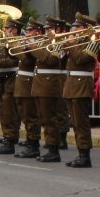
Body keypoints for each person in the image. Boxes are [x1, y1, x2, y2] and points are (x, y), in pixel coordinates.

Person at [28, 16, 69, 162]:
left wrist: (34, 47)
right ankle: (50, 146)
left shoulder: (58, 41)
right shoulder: (45, 42)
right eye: (46, 28)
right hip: (40, 85)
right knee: (44, 118)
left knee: (50, 119)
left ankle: (54, 150)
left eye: (50, 28)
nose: (46, 31)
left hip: (49, 86)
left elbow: (51, 60)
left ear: (58, 29)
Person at [63, 13, 100, 167]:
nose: (74, 29)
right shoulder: (77, 42)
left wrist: (71, 45)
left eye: (77, 27)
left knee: (81, 122)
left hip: (82, 84)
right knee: (76, 123)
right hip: (71, 84)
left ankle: (85, 155)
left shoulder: (92, 41)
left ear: (86, 28)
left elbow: (80, 59)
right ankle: (80, 153)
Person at [12, 18, 44, 158]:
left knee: (30, 116)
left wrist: (15, 45)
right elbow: (14, 55)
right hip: (21, 83)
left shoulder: (37, 45)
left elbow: (25, 59)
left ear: (38, 32)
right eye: (28, 30)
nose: (28, 33)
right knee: (25, 116)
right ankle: (30, 141)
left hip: (29, 83)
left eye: (31, 30)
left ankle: (33, 145)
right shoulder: (29, 44)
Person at [0, 18, 23, 154]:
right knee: (3, 111)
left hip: (12, 79)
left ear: (14, 29)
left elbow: (13, 61)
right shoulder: (4, 42)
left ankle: (10, 139)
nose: (4, 30)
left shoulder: (17, 43)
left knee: (9, 112)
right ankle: (7, 137)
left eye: (7, 28)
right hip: (1, 80)